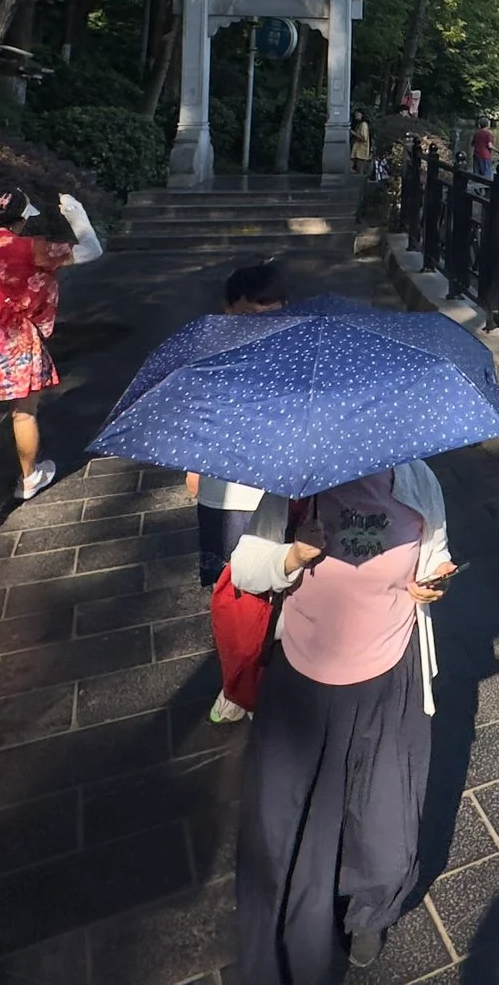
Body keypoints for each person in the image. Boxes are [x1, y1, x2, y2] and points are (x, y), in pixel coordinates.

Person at [231, 461, 458, 981]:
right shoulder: (294, 485)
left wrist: (431, 582)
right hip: (306, 677)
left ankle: (370, 910)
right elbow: (244, 568)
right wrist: (292, 555)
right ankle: (293, 931)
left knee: (383, 814)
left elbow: (437, 554)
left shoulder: (420, 481)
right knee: (295, 822)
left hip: (390, 671)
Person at [0, 185, 103, 538]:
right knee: (24, 413)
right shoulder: (33, 249)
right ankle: (29, 479)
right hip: (18, 343)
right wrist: (75, 213)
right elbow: (91, 250)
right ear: (24, 217)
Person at [192, 260, 290, 722]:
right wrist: (193, 467)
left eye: (273, 309)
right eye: (252, 311)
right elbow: (193, 418)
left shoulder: (296, 351)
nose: (262, 321)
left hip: (278, 490)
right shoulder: (206, 353)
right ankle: (237, 679)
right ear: (229, 308)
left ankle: (273, 673)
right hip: (225, 493)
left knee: (280, 586)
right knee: (231, 590)